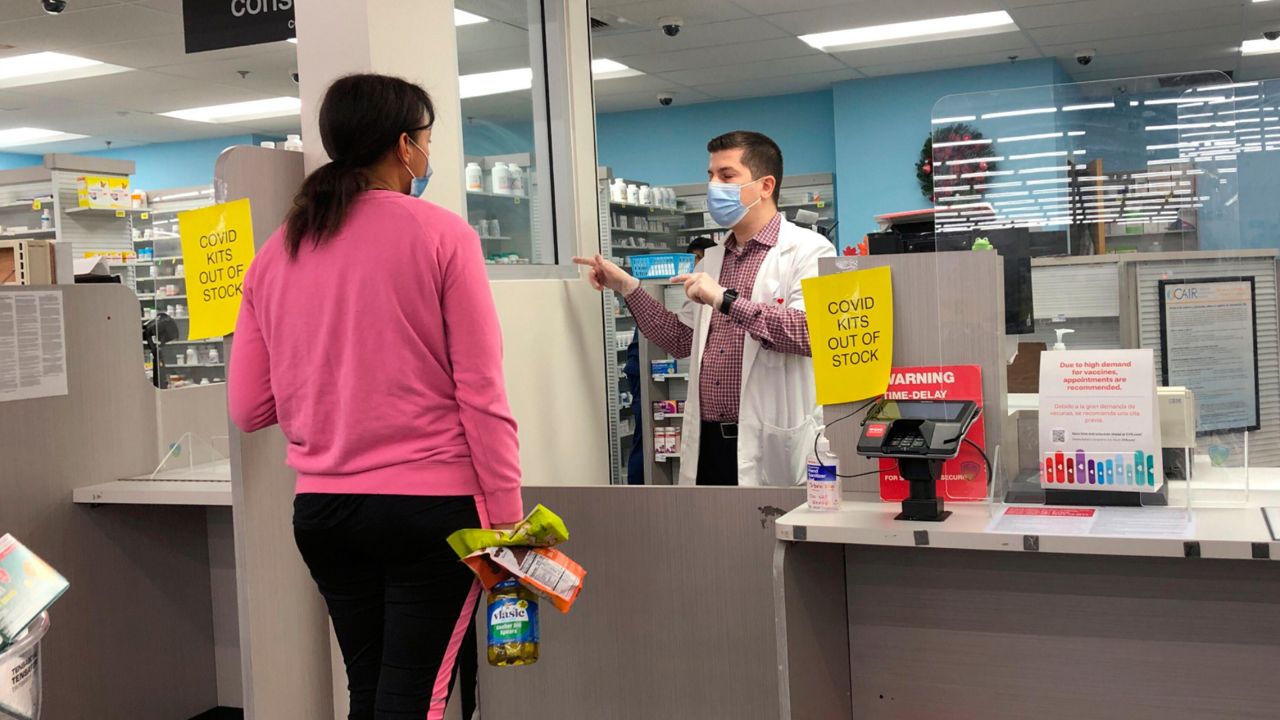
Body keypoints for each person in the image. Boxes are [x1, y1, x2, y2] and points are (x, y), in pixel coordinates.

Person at [227, 74, 522, 720]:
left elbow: (248, 407)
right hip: (431, 513)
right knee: (417, 697)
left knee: (373, 691)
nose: (424, 154)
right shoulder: (444, 236)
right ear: (404, 146)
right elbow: (482, 393)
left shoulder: (276, 252)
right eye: (425, 141)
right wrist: (507, 524)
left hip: (325, 514)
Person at [578, 131, 835, 487]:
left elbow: (810, 332)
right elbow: (681, 339)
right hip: (709, 441)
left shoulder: (809, 250)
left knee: (770, 538)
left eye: (727, 176)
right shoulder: (713, 259)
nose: (713, 186)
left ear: (765, 185)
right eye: (710, 175)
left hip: (768, 439)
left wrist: (725, 300)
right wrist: (626, 286)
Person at [624, 237, 717, 485]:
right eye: (696, 261)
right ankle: (638, 491)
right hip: (640, 367)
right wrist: (626, 287)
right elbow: (678, 338)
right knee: (644, 436)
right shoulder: (685, 289)